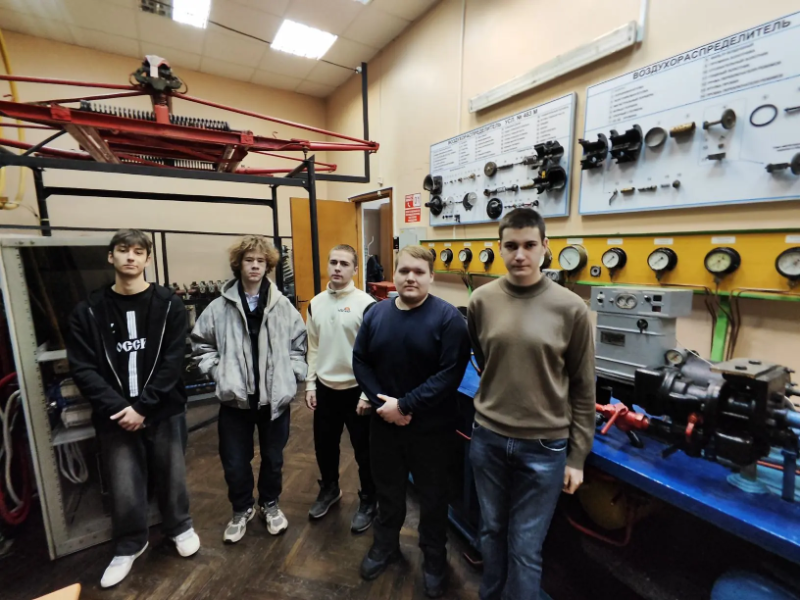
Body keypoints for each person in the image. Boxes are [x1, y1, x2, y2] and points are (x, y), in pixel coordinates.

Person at [467, 208, 596, 600]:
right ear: (500, 248)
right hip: (488, 439)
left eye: (529, 245)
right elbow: (484, 358)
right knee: (491, 532)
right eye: (511, 246)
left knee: (524, 546)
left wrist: (577, 457)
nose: (520, 255)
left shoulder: (571, 308)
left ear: (545, 247)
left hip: (544, 447)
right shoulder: (481, 300)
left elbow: (583, 387)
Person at [67, 229, 199, 589]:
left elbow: (173, 360)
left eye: (138, 251)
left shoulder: (169, 304)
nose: (130, 257)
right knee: (124, 482)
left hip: (163, 409)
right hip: (115, 417)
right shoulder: (88, 311)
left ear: (147, 259)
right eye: (123, 250)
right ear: (111, 257)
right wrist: (120, 408)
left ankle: (179, 526)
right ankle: (130, 544)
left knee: (173, 473)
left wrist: (143, 406)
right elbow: (83, 368)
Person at [353, 245, 471, 598]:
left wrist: (405, 406)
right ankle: (385, 546)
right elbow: (360, 361)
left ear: (431, 276)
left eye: (419, 272)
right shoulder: (376, 314)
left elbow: (449, 375)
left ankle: (434, 559)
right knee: (388, 491)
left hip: (432, 431)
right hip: (384, 425)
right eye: (404, 270)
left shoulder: (450, 320)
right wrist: (383, 405)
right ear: (395, 273)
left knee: (434, 498)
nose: (410, 277)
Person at [191, 235, 307, 543]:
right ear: (238, 264)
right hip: (235, 402)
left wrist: (292, 373)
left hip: (274, 401)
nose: (255, 266)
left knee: (273, 459)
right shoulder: (218, 308)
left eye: (260, 261)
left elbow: (299, 344)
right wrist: (219, 373)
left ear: (268, 266)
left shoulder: (283, 307)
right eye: (249, 260)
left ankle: (270, 504)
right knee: (234, 462)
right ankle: (241, 509)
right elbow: (201, 344)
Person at [305, 245, 377, 531]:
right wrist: (310, 384)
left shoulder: (367, 305)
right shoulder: (315, 303)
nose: (337, 267)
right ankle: (330, 489)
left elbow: (374, 355)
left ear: (355, 270)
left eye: (344, 263)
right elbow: (313, 347)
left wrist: (367, 394)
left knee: (364, 452)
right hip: (325, 389)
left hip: (357, 392)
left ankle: (369, 498)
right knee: (324, 447)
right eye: (333, 262)